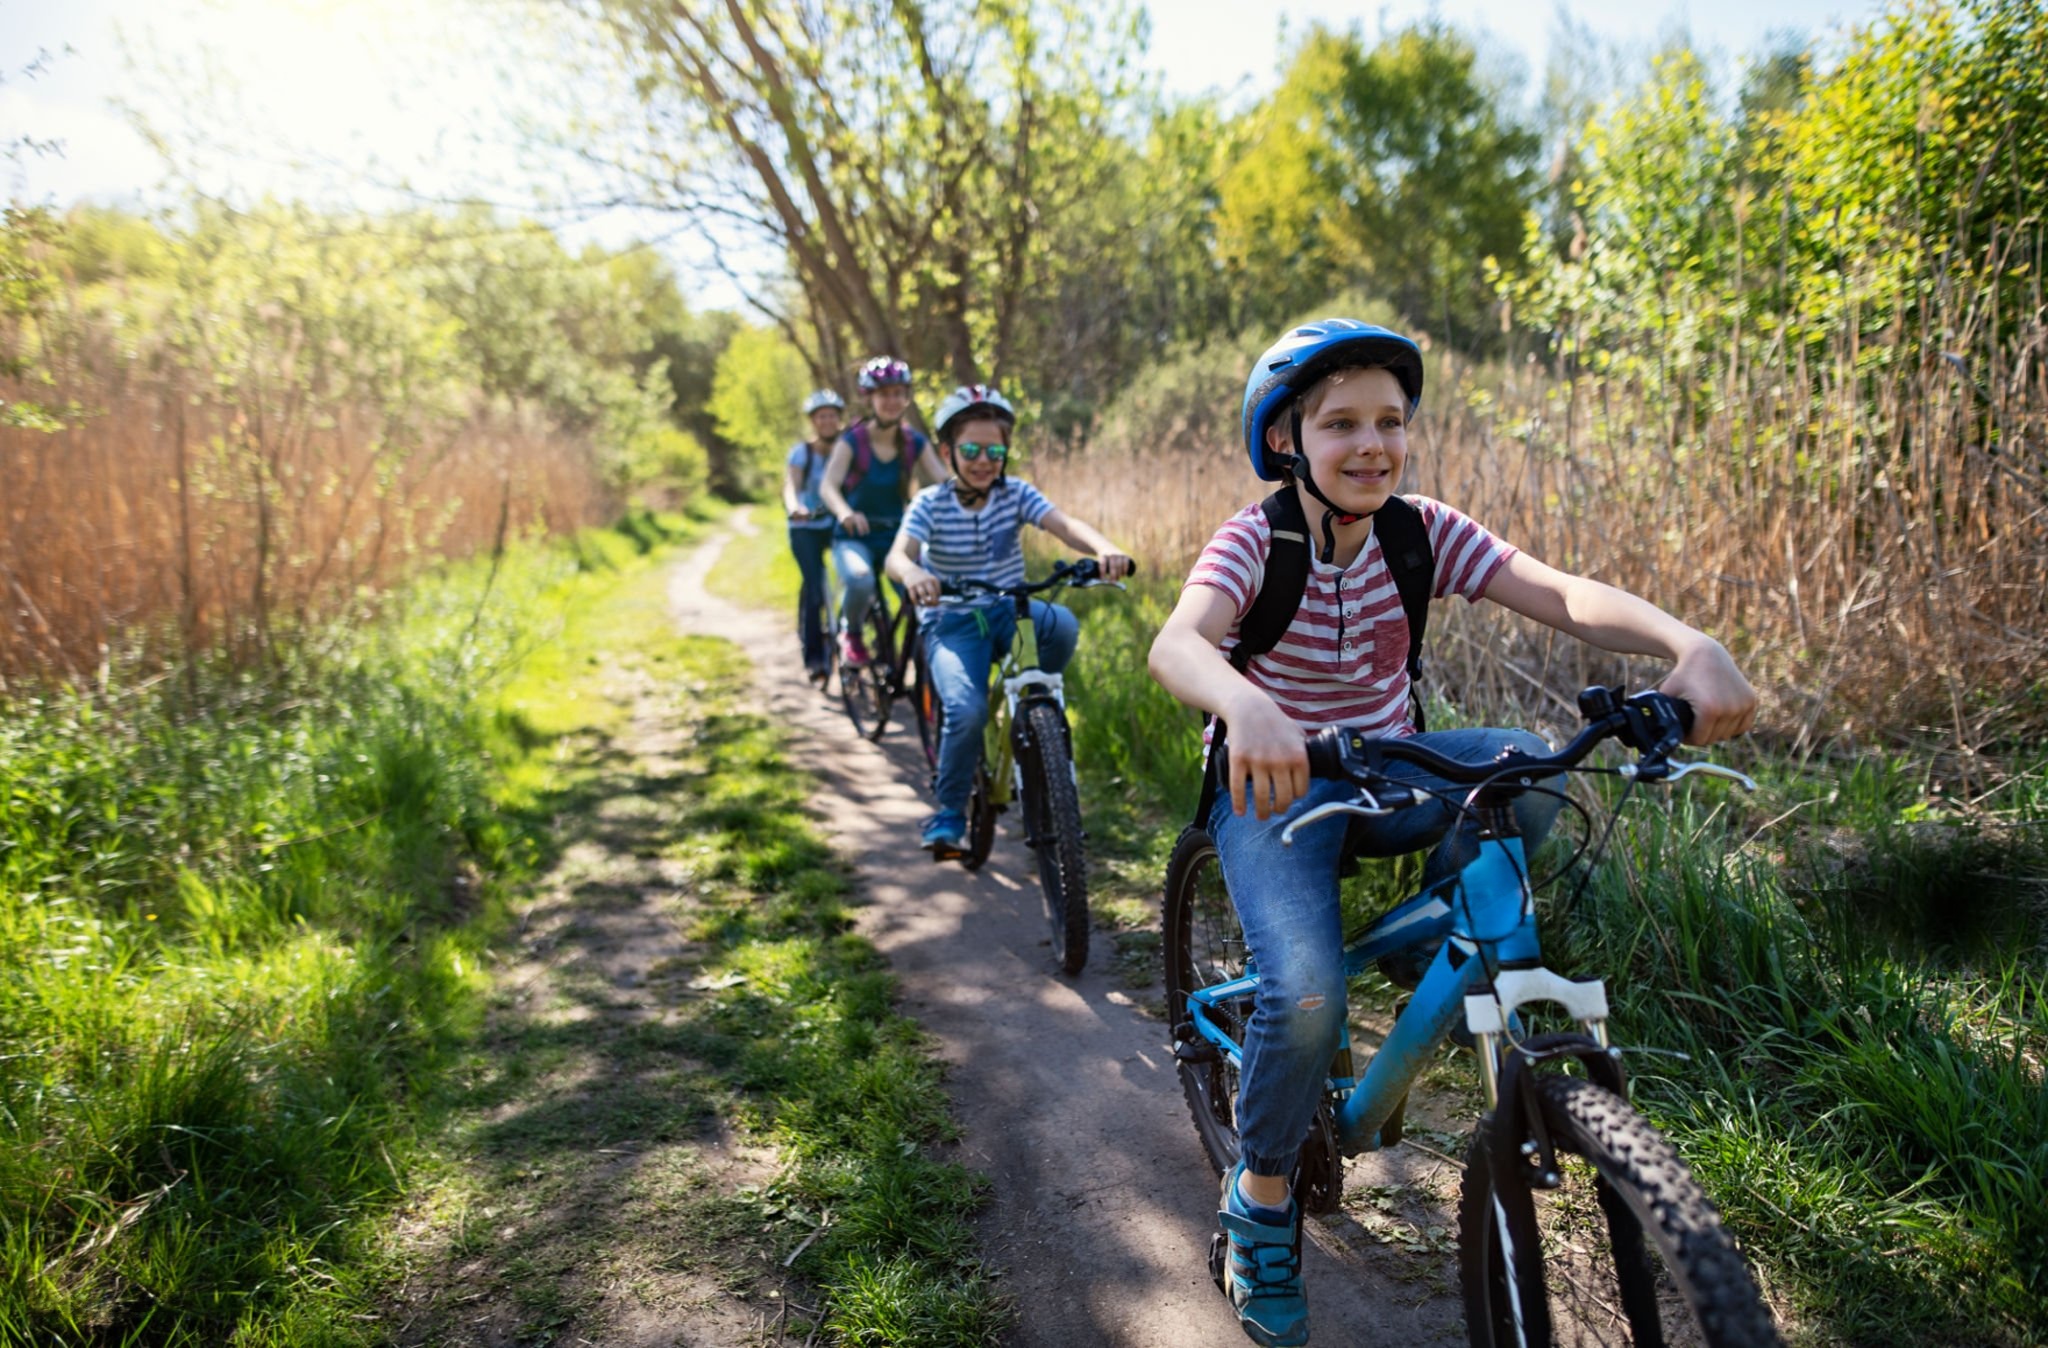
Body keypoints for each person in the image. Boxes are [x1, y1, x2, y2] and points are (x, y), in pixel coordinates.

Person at [1145, 319, 1758, 1348]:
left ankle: (1447, 947)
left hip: (1392, 770)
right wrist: (1242, 703)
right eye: (1340, 422)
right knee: (1299, 992)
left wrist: (1683, 642)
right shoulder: (1254, 540)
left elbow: (1556, 590)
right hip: (1272, 789)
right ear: (1286, 439)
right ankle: (1257, 1200)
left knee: (1521, 761)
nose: (1371, 442)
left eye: (1390, 419)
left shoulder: (1418, 529)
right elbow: (1178, 640)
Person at [887, 384, 1134, 855]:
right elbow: (898, 556)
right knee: (966, 710)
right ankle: (949, 813)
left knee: (1059, 624)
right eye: (972, 450)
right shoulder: (930, 503)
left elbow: (1063, 524)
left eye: (995, 450)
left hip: (1009, 611)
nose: (984, 460)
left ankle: (1031, 719)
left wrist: (1104, 549)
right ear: (947, 452)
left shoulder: (1015, 493)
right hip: (953, 621)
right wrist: (914, 572)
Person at [818, 355, 944, 666]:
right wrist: (845, 512)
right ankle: (852, 633)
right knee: (860, 580)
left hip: (897, 537)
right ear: (870, 398)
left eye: (899, 394)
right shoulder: (852, 440)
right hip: (854, 536)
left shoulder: (914, 441)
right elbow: (828, 487)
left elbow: (943, 482)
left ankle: (919, 664)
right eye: (885, 394)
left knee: (923, 594)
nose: (892, 401)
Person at [783, 388, 846, 686]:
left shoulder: (847, 449)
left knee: (851, 579)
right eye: (822, 416)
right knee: (814, 587)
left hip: (835, 525)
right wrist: (796, 507)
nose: (827, 421)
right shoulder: (802, 452)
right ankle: (815, 659)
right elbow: (791, 485)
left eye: (832, 415)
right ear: (813, 421)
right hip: (805, 527)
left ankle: (854, 643)